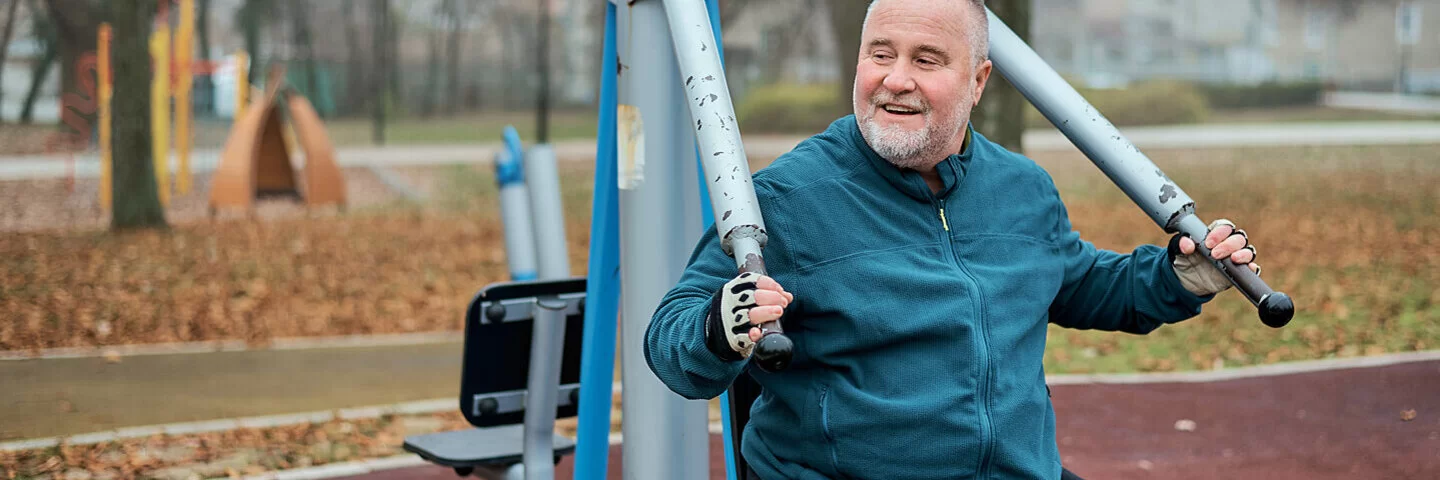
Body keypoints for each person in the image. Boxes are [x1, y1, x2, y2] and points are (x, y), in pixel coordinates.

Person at [643, 0, 1262, 478]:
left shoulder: (1021, 189)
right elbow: (670, 338)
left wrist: (1177, 276)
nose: (895, 80)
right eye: (879, 54)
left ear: (979, 79)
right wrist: (715, 328)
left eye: (926, 60)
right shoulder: (787, 200)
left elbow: (1081, 284)